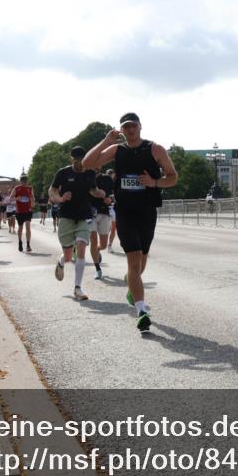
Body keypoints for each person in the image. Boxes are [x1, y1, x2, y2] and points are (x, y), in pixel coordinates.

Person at [83, 112, 178, 333]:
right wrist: (106, 141)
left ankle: (131, 285)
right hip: (125, 212)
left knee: (141, 262)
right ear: (121, 130)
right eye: (126, 127)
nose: (130, 130)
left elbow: (173, 177)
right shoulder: (117, 149)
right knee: (134, 261)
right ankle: (141, 311)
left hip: (147, 211)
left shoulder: (155, 149)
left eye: (133, 125)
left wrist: (154, 182)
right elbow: (87, 164)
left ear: (140, 126)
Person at [48, 146, 105, 301]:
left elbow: (93, 190)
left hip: (84, 216)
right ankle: (61, 262)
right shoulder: (63, 173)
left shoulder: (90, 173)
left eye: (82, 160)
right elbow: (52, 191)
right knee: (68, 256)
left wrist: (99, 193)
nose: (80, 163)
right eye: (77, 160)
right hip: (66, 216)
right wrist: (60, 199)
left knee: (81, 247)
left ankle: (77, 288)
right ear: (71, 159)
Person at [11, 173, 35, 252]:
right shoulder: (16, 188)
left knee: (28, 227)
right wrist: (16, 198)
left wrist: (33, 202)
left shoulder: (30, 188)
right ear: (20, 180)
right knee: (20, 228)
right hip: (19, 211)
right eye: (22, 180)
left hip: (28, 210)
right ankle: (20, 242)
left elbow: (32, 197)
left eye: (25, 180)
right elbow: (10, 198)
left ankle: (28, 245)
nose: (24, 181)